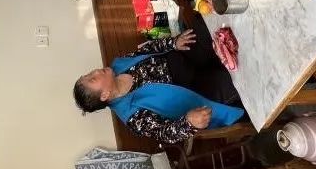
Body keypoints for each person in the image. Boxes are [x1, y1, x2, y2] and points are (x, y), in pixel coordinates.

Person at [73, 21, 245, 144]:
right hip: (197, 92)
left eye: (89, 73)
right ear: (105, 95)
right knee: (242, 78)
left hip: (185, 56)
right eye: (93, 78)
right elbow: (164, 133)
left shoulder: (118, 64)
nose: (96, 71)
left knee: (215, 27)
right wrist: (189, 122)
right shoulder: (133, 117)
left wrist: (173, 42)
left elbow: (147, 49)